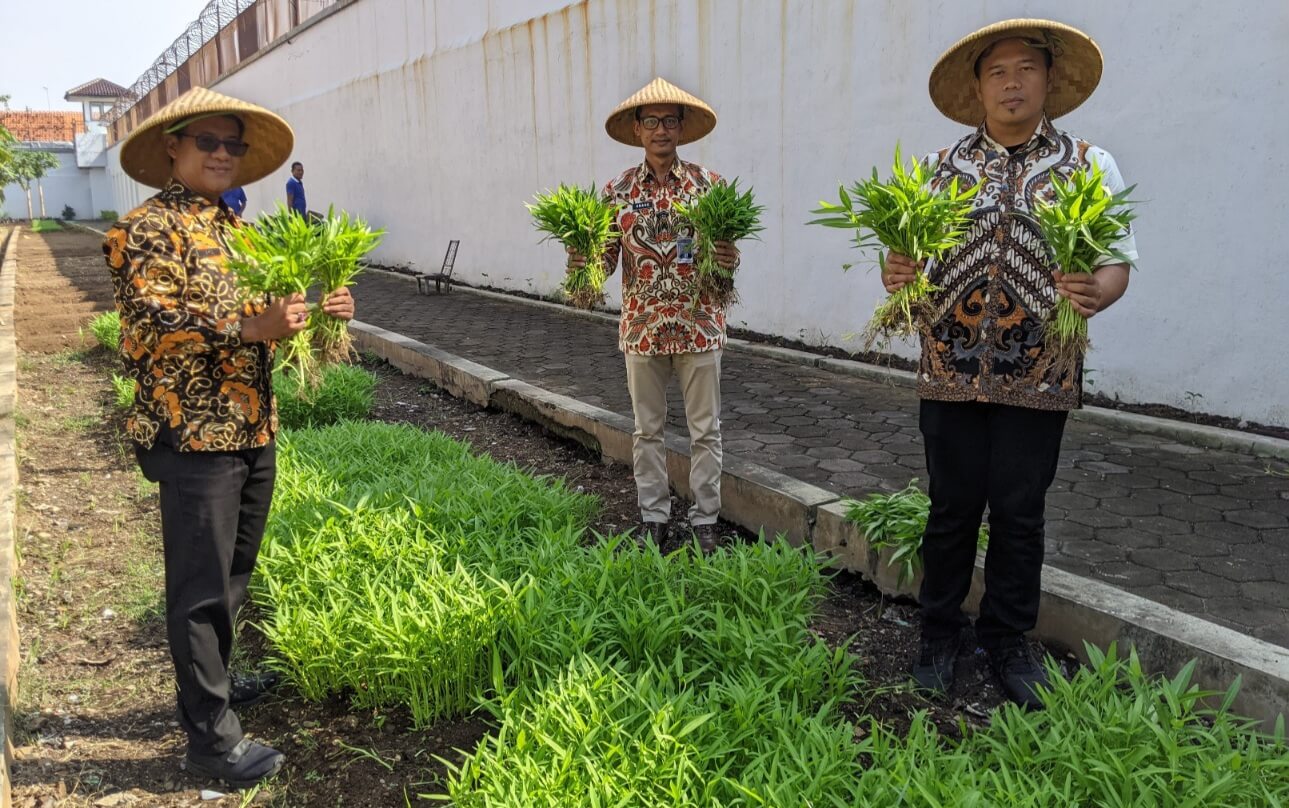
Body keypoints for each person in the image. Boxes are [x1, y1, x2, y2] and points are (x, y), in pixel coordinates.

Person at [103, 87, 355, 786]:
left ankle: (215, 680)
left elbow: (272, 319)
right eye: (207, 142)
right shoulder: (146, 230)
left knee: (233, 574)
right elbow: (149, 330)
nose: (221, 154)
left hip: (249, 424)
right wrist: (251, 328)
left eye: (232, 145)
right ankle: (210, 744)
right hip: (191, 435)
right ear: (172, 149)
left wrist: (322, 311)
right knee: (198, 587)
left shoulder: (239, 230)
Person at [883, 20, 1136, 708]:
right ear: (977, 88)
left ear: (1050, 80)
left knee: (1020, 513)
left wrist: (1095, 293)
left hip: (1039, 369)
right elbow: (903, 261)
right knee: (950, 508)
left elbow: (1116, 263)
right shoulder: (939, 170)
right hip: (949, 369)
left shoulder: (1089, 164)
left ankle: (1006, 641)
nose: (1012, 81)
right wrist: (896, 270)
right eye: (997, 71)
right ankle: (938, 635)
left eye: (1026, 68)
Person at [567, 77, 741, 553]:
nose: (660, 130)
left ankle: (706, 521)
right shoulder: (616, 191)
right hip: (642, 329)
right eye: (651, 122)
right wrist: (580, 261)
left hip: (699, 325)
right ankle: (654, 517)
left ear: (682, 128)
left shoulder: (710, 187)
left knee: (706, 431)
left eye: (669, 121)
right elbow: (602, 262)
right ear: (638, 130)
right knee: (647, 431)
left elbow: (728, 256)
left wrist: (727, 258)